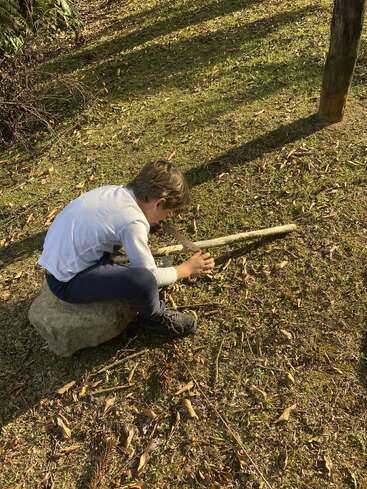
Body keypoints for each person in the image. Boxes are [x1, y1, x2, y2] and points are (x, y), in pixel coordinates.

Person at [38, 160, 215, 339]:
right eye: (168, 213)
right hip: (67, 283)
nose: (165, 218)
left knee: (130, 259)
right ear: (159, 203)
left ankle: (124, 270)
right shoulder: (133, 221)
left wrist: (149, 223)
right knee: (144, 280)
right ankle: (155, 317)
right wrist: (186, 269)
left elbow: (112, 224)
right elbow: (150, 277)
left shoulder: (117, 192)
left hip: (61, 264)